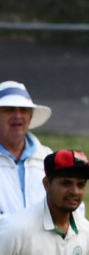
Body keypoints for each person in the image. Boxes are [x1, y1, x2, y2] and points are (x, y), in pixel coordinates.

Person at [0, 81, 55, 227]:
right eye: (10, 109)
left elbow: (71, 209)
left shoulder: (48, 159)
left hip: (42, 249)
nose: (17, 115)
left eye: (23, 110)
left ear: (30, 117)